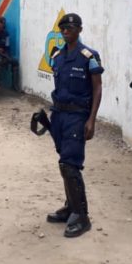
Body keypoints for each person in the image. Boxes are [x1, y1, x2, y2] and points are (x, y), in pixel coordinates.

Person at [45, 13, 103, 238]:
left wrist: (92, 119)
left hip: (78, 117)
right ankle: (70, 207)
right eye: (63, 27)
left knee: (71, 164)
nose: (65, 30)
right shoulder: (57, 56)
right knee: (64, 163)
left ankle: (82, 216)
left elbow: (97, 88)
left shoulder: (88, 56)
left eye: (70, 27)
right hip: (59, 116)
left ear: (79, 29)